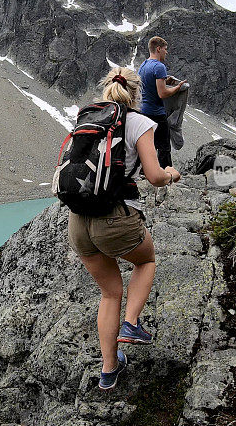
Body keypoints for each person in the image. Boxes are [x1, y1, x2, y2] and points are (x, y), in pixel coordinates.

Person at [67, 67, 181, 390]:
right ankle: (131, 324)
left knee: (109, 291)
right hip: (113, 219)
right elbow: (154, 176)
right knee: (146, 261)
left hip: (78, 222)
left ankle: (108, 371)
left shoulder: (88, 120)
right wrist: (172, 174)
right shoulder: (139, 123)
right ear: (136, 94)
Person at [137, 36, 186, 168]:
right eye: (165, 49)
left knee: (148, 146)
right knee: (164, 147)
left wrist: (165, 81)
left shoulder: (144, 65)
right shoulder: (159, 67)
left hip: (143, 112)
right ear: (158, 49)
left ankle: (145, 173)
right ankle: (167, 176)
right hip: (156, 114)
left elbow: (149, 86)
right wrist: (177, 88)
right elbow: (162, 93)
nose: (166, 52)